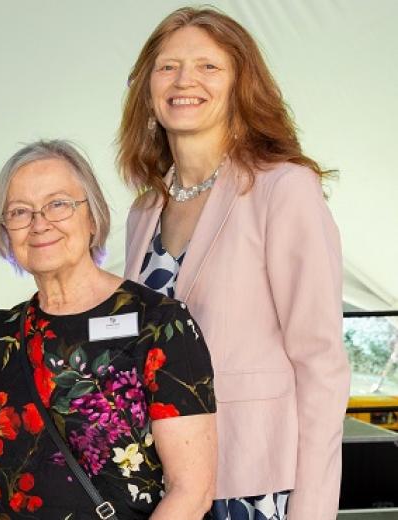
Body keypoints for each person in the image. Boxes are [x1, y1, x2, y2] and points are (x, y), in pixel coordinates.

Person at [117, 7, 350, 520]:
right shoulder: (142, 211)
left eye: (208, 67)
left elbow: (321, 365)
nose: (184, 81)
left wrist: (312, 507)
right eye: (167, 67)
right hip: (164, 486)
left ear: (240, 84)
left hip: (255, 483)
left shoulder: (283, 189)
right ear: (148, 90)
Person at [0, 139, 216, 520]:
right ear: (5, 232)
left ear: (92, 218)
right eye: (20, 212)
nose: (40, 224)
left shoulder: (159, 323)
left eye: (58, 204)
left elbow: (192, 488)